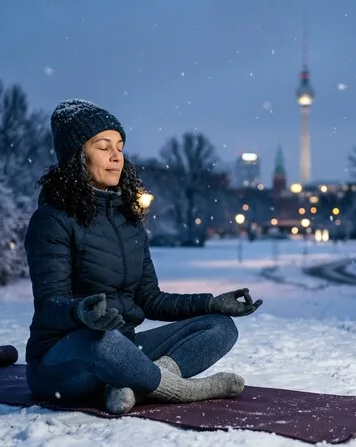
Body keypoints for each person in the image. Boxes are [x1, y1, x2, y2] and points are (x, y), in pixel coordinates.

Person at [23, 99, 263, 415]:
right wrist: (82, 312)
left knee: (220, 327)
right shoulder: (52, 219)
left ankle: (129, 382)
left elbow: (149, 299)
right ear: (76, 156)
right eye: (103, 146)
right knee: (104, 343)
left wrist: (210, 303)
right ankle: (180, 390)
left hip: (126, 350)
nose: (116, 156)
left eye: (120, 146)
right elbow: (49, 307)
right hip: (65, 359)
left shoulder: (129, 220)